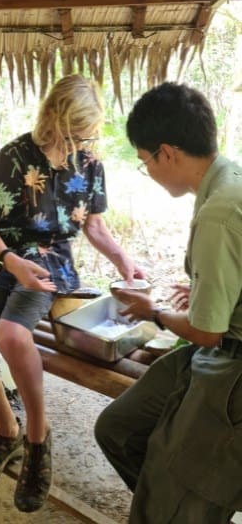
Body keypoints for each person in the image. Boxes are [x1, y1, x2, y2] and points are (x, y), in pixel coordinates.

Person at [0, 74, 143, 512]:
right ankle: (7, 433)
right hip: (0, 259)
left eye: (88, 135)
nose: (83, 144)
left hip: (49, 262)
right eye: (77, 134)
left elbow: (94, 226)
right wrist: (10, 261)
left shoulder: (90, 163)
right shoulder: (15, 158)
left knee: (13, 335)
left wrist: (122, 261)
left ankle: (38, 438)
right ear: (55, 121)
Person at [95, 82, 242, 523]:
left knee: (176, 485)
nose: (149, 172)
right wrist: (200, 294)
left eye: (145, 163)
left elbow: (206, 332)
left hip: (231, 364)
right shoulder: (226, 180)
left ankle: (176, 501)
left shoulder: (220, 211)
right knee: (118, 429)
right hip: (214, 348)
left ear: (167, 153)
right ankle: (168, 502)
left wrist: (153, 312)